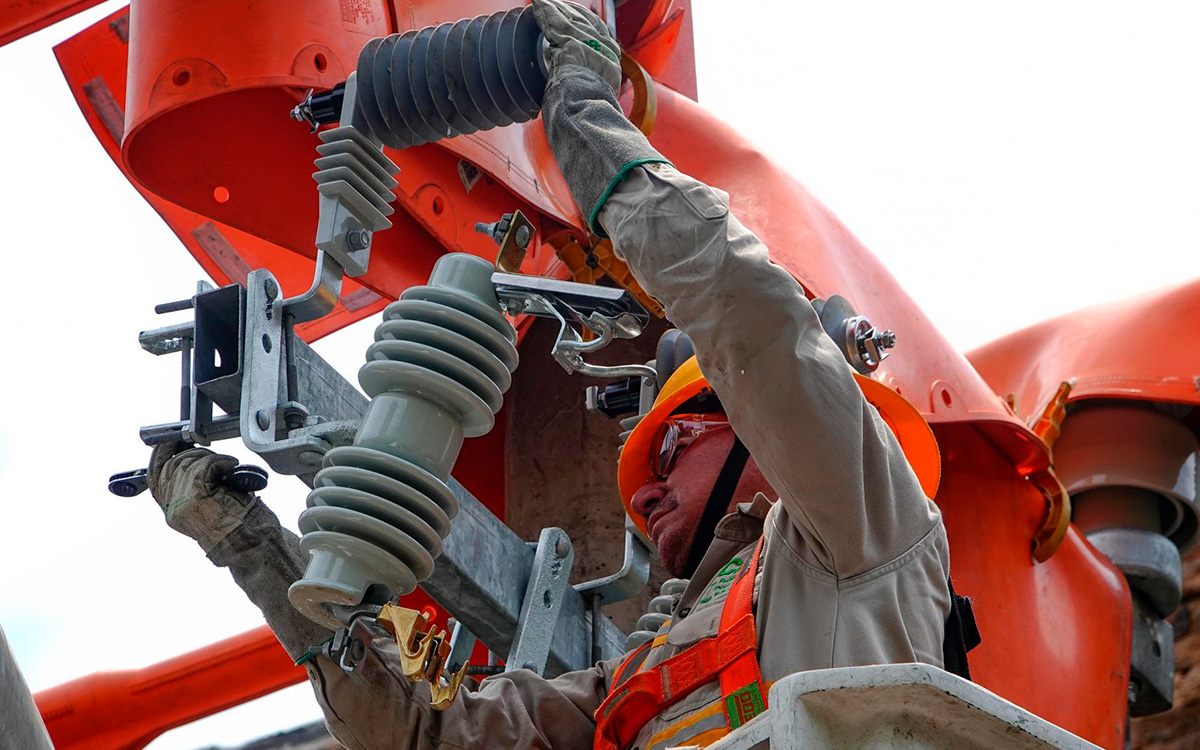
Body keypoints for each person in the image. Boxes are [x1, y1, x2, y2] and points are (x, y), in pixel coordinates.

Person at [145, 2, 959, 748]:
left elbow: (748, 312)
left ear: (756, 424)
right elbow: (426, 740)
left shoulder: (867, 529)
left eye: (672, 445)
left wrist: (588, 128)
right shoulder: (633, 686)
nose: (639, 498)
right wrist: (255, 549)